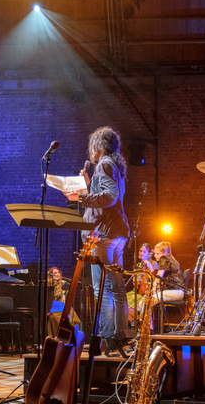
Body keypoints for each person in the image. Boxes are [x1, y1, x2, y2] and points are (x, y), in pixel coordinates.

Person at [63, 126, 130, 347]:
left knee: (102, 290)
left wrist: (80, 198)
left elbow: (108, 198)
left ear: (99, 145)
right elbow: (111, 196)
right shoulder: (115, 165)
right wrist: (89, 184)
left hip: (103, 235)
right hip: (117, 232)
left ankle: (107, 339)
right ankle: (121, 336)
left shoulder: (104, 164)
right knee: (117, 288)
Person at [138, 242, 185, 320]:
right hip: (176, 292)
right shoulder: (172, 259)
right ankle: (150, 327)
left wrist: (150, 292)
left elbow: (158, 278)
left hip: (175, 292)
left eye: (158, 254)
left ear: (166, 253)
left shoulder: (164, 258)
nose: (155, 256)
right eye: (155, 253)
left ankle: (147, 327)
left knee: (147, 302)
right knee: (144, 302)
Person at [127, 243, 157, 324]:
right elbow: (134, 281)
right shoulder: (138, 265)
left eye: (144, 252)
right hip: (136, 291)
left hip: (146, 292)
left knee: (130, 302)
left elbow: (155, 279)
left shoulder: (153, 263)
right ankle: (135, 321)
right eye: (140, 251)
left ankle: (137, 323)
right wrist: (136, 281)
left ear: (149, 254)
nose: (141, 253)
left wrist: (150, 267)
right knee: (122, 301)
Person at [46, 267, 80, 336]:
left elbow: (64, 297)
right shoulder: (48, 286)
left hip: (63, 307)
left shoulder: (63, 283)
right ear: (51, 275)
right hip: (53, 309)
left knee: (76, 321)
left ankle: (73, 338)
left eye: (58, 272)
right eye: (55, 273)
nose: (58, 274)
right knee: (53, 319)